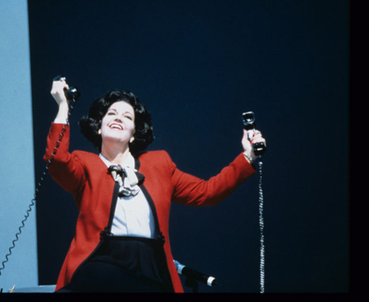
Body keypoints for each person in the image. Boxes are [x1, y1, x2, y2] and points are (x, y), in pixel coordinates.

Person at [44, 77, 266, 293]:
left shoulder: (159, 163)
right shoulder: (84, 163)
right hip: (101, 262)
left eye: (127, 117)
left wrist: (248, 156)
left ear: (133, 134)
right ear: (99, 128)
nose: (118, 118)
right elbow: (57, 160)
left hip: (150, 266)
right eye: (111, 113)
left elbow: (208, 192)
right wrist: (63, 107)